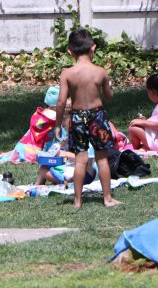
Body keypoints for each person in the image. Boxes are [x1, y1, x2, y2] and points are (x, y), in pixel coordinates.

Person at [54, 28, 121, 209]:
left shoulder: (67, 74)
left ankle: (77, 201)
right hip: (97, 116)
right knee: (102, 158)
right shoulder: (100, 71)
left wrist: (58, 125)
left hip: (77, 117)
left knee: (81, 159)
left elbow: (61, 102)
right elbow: (109, 97)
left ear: (70, 51)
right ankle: (107, 198)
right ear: (93, 48)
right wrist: (109, 86)